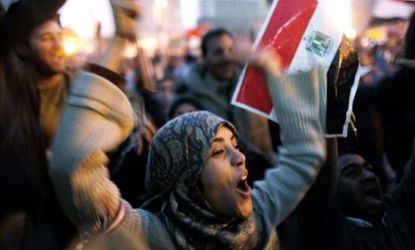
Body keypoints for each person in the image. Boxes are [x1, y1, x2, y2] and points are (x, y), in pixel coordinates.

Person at [49, 46, 327, 249]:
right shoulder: (149, 234)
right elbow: (73, 170)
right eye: (218, 151)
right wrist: (118, 41)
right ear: (187, 176)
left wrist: (273, 72)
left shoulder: (261, 212)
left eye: (235, 145)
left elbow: (305, 155)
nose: (240, 157)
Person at [0, 0, 75, 248]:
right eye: (45, 38)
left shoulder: (79, 85)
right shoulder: (12, 98)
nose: (57, 45)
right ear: (23, 47)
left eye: (59, 35)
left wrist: (137, 116)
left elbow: (120, 100)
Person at [173, 27, 275, 159]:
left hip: (263, 168)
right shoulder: (189, 97)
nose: (226, 57)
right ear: (204, 58)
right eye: (218, 52)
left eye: (230, 50)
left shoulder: (252, 83)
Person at [296, 143, 415, 250]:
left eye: (369, 169)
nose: (369, 176)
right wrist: (330, 129)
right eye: (352, 173)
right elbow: (323, 183)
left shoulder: (397, 213)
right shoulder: (331, 234)